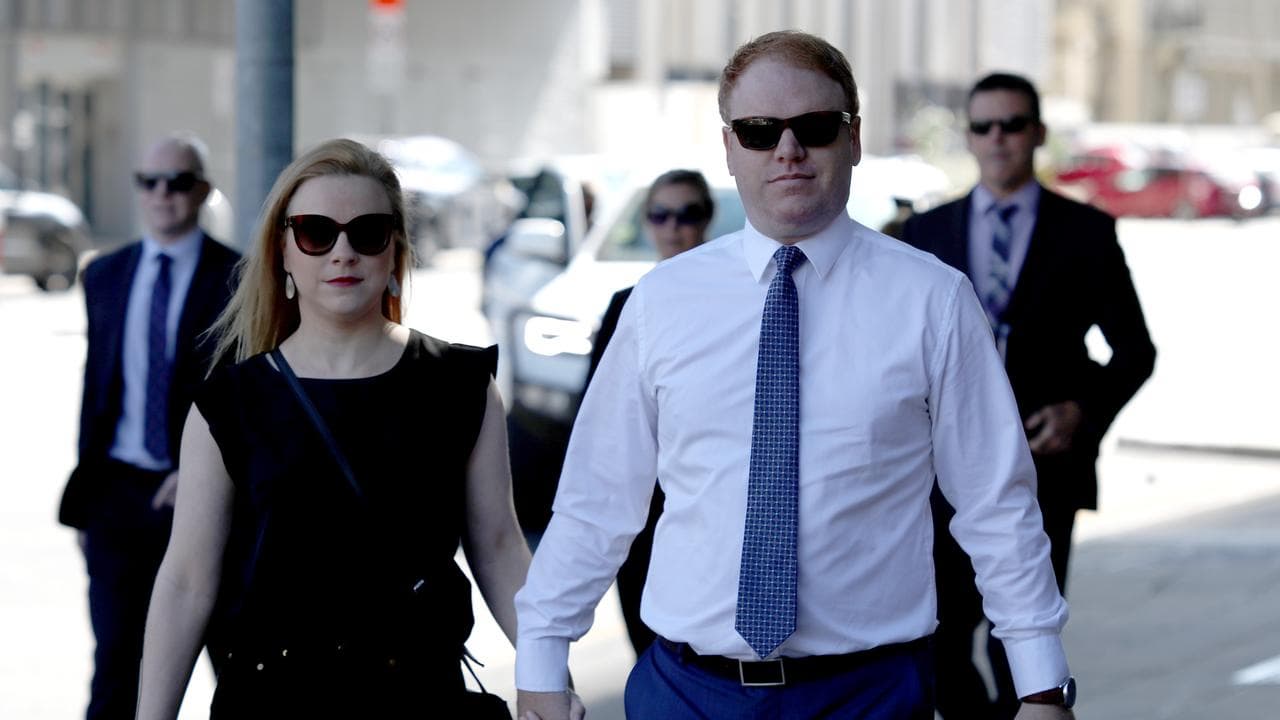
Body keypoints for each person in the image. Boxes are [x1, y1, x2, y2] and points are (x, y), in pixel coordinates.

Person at [515, 31, 1076, 720]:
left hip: (871, 696)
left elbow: (996, 503)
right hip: (685, 694)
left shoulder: (933, 300)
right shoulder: (660, 302)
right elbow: (597, 498)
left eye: (813, 127)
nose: (788, 150)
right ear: (728, 147)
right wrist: (541, 657)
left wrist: (1041, 686)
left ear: (854, 137)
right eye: (758, 131)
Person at [133, 138, 564, 718]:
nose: (343, 252)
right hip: (273, 700)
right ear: (283, 250)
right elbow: (186, 579)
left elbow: (498, 545)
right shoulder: (229, 402)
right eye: (316, 232)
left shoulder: (459, 384)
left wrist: (550, 678)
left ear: (395, 253)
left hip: (420, 696)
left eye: (367, 233)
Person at [901, 72, 1156, 719]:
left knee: (1019, 641)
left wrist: (1083, 411)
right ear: (969, 136)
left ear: (1037, 134)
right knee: (939, 637)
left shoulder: (1087, 232)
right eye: (984, 126)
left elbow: (1135, 350)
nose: (998, 139)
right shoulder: (923, 234)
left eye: (1012, 125)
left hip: (1044, 471)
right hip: (936, 479)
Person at [57, 132, 239, 720]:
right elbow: (97, 387)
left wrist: (201, 469)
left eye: (179, 182)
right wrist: (88, 497)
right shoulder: (105, 274)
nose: (163, 194)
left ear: (202, 191)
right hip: (117, 494)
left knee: (233, 665)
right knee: (117, 664)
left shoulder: (239, 278)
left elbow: (247, 396)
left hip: (205, 498)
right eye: (150, 182)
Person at [584, 169, 716, 658]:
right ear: (647, 222)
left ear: (707, 219)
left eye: (688, 214)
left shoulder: (737, 299)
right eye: (661, 214)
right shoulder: (626, 306)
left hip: (704, 507)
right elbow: (599, 423)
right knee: (651, 659)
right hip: (641, 514)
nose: (674, 227)